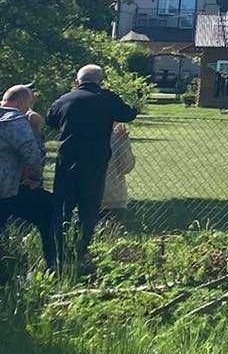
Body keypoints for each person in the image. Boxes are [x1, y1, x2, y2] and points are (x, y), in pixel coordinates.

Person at [46, 64, 138, 262]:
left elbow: (51, 121)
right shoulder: (107, 99)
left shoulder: (64, 99)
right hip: (95, 164)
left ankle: (57, 255)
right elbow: (128, 114)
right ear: (100, 80)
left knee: (63, 209)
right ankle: (81, 253)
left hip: (67, 162)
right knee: (89, 211)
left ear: (77, 80)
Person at [0, 83, 57, 271]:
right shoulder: (14, 121)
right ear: (22, 103)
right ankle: (54, 266)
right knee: (51, 212)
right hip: (9, 189)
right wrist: (38, 129)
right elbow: (33, 157)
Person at [100, 120, 136, 221]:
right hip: (87, 199)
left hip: (114, 201)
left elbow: (126, 168)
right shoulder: (85, 134)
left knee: (112, 235)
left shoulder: (119, 135)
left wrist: (123, 142)